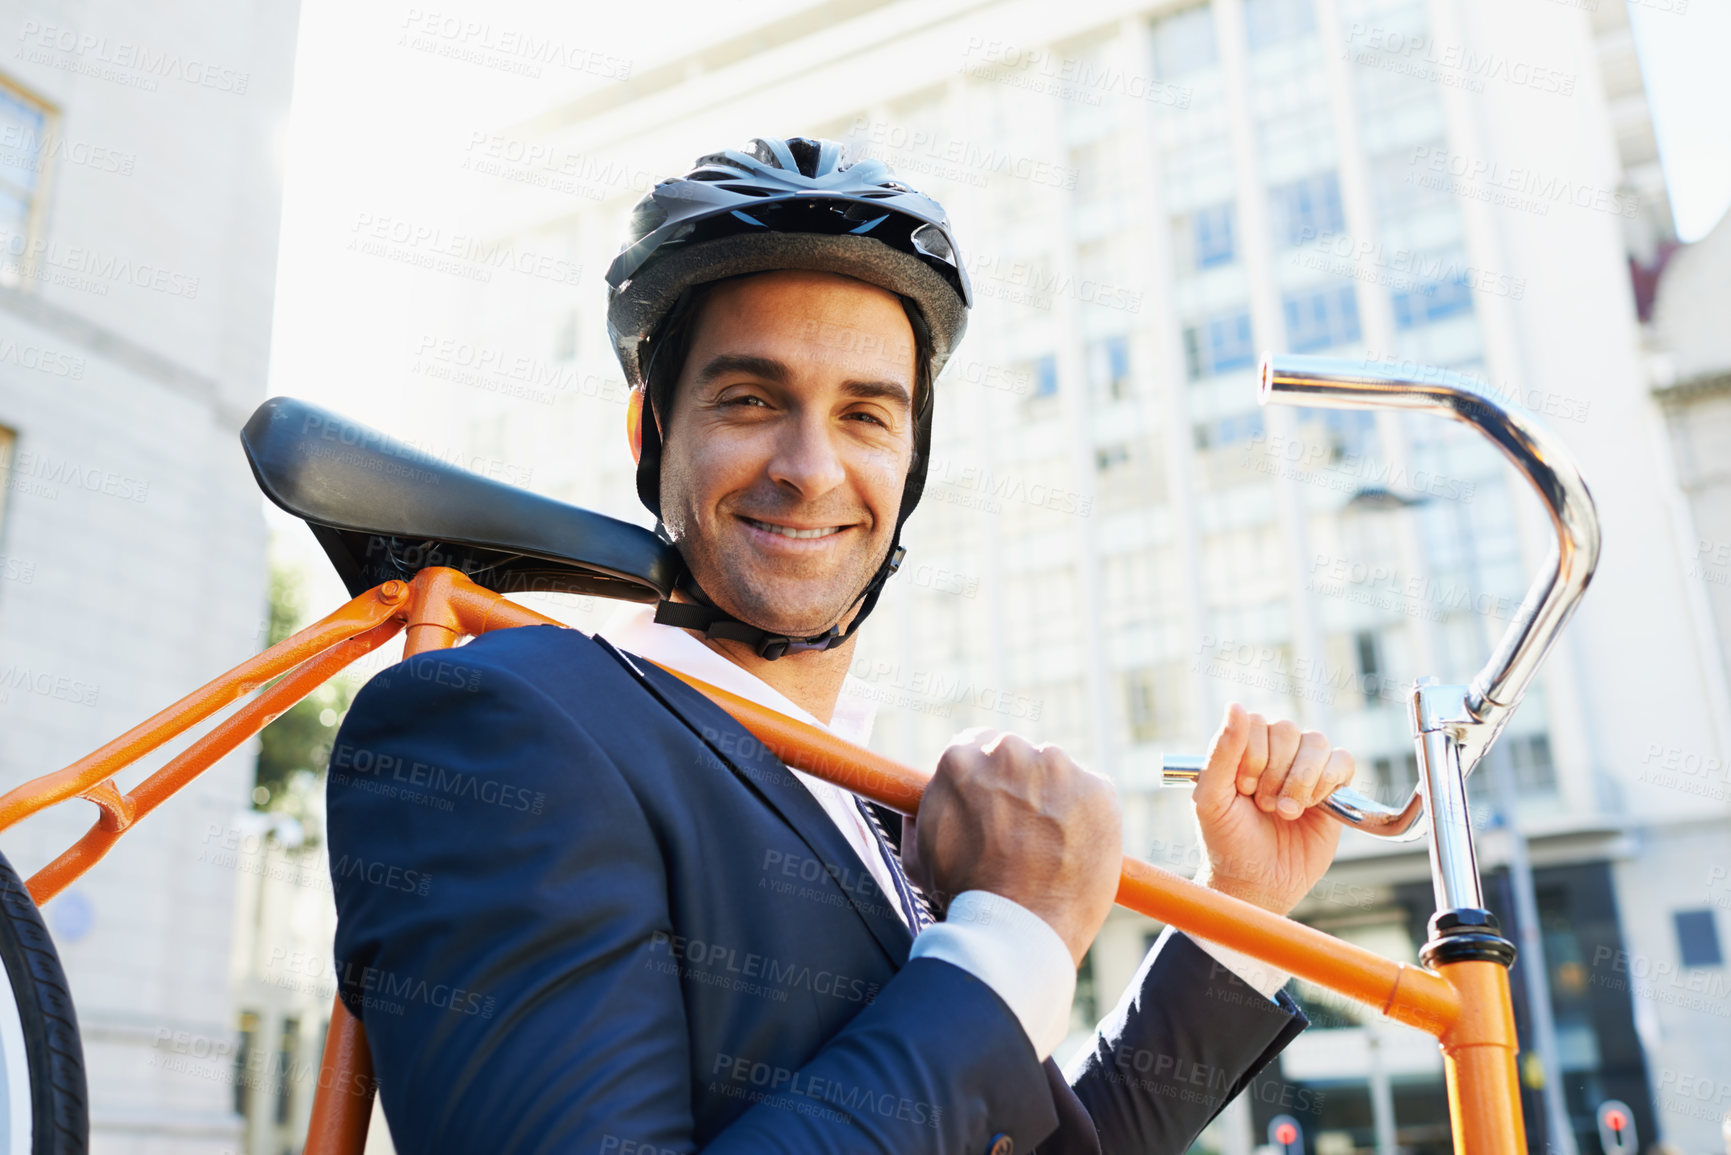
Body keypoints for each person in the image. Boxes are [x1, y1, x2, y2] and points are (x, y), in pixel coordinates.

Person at [326, 136, 1356, 1154]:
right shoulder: (502, 722)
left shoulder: (876, 810)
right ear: (649, 434)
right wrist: (1009, 939)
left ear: (908, 466)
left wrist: (1237, 912)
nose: (811, 468)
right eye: (751, 400)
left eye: (866, 414)